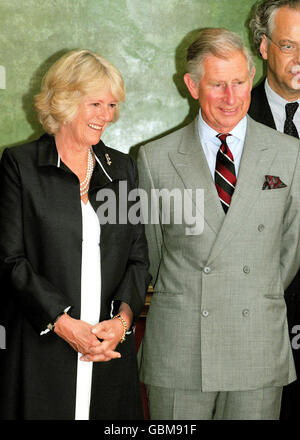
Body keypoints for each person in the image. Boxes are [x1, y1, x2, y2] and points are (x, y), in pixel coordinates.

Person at [137, 28, 300, 420]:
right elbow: (153, 253)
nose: (231, 98)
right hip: (181, 350)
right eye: (218, 85)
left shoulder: (290, 155)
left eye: (240, 82)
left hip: (256, 343)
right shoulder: (154, 159)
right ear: (192, 86)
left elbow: (290, 251)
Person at [0, 49, 150, 420]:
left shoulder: (122, 169)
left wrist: (121, 324)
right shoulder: (21, 166)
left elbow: (137, 257)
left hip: (109, 352)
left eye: (111, 105)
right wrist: (63, 323)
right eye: (95, 103)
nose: (106, 116)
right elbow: (10, 260)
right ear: (63, 101)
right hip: (43, 347)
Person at [248, 0, 300, 418]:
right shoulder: (229, 118)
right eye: (288, 45)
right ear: (263, 47)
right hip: (257, 325)